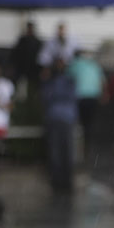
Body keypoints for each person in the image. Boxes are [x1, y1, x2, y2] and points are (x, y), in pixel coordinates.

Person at [41, 57, 78, 193]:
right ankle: (62, 181)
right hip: (64, 118)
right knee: (62, 150)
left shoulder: (57, 82)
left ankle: (61, 181)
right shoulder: (68, 81)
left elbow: (47, 98)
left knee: (59, 151)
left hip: (57, 117)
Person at [67, 49, 105, 155]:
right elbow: (102, 81)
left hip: (80, 97)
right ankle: (87, 146)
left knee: (79, 124)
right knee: (89, 124)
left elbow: (67, 77)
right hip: (93, 97)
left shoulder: (75, 64)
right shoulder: (94, 65)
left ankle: (80, 149)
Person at [9, 21, 43, 97]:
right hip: (21, 71)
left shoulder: (37, 42)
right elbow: (15, 55)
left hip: (34, 72)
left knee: (32, 91)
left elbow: (41, 58)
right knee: (21, 92)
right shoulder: (22, 40)